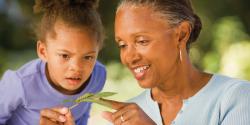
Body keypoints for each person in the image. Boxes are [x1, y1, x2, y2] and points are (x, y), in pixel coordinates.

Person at [101, 0, 250, 125]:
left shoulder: (235, 97)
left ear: (181, 35)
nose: (129, 57)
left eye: (142, 41)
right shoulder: (127, 115)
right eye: (122, 45)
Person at [0, 0, 106, 125]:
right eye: (65, 56)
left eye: (88, 57)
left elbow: (83, 114)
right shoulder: (20, 84)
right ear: (43, 51)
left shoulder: (98, 77)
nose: (76, 67)